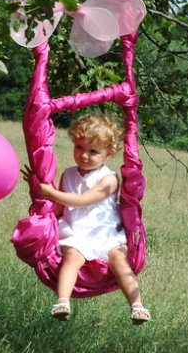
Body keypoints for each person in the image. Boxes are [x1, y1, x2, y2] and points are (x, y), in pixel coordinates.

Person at [39, 113, 151, 325]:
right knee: (72, 256)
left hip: (105, 230)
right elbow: (61, 207)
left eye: (93, 151)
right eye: (79, 147)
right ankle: (62, 301)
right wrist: (42, 214)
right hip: (76, 229)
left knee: (119, 259)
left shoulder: (109, 179)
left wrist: (50, 193)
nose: (84, 155)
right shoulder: (68, 174)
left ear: (108, 153)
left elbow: (83, 200)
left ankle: (137, 305)